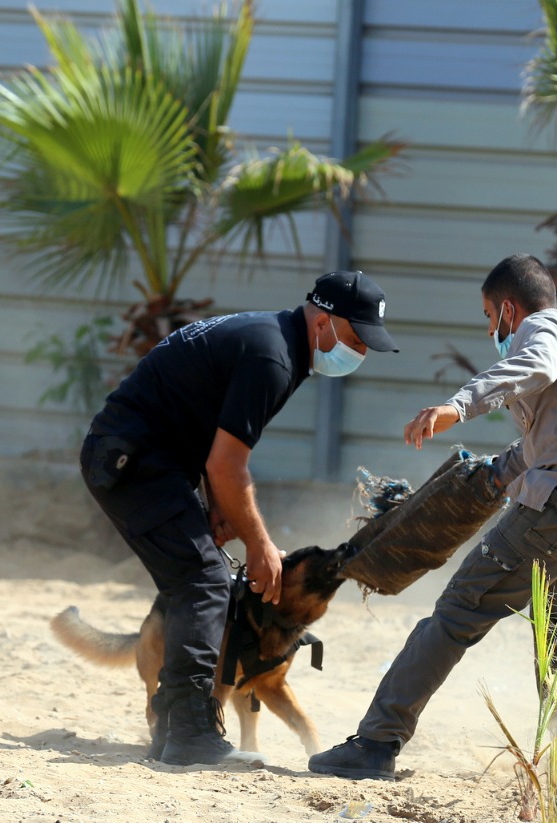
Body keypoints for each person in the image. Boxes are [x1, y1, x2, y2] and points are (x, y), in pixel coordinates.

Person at [308, 253, 557, 780]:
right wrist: (492, 475)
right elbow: (546, 445)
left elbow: (534, 366)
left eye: (487, 316)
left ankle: (376, 743)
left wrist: (458, 406)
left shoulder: (544, 328)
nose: (489, 329)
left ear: (507, 310)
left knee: (455, 613)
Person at [80, 271, 398, 767]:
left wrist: (218, 508)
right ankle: (190, 733)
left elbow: (208, 434)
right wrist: (259, 543)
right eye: (354, 337)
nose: (357, 352)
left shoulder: (274, 340)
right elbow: (227, 463)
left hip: (146, 460)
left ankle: (172, 729)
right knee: (205, 582)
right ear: (323, 322)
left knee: (196, 578)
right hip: (132, 461)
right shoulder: (273, 358)